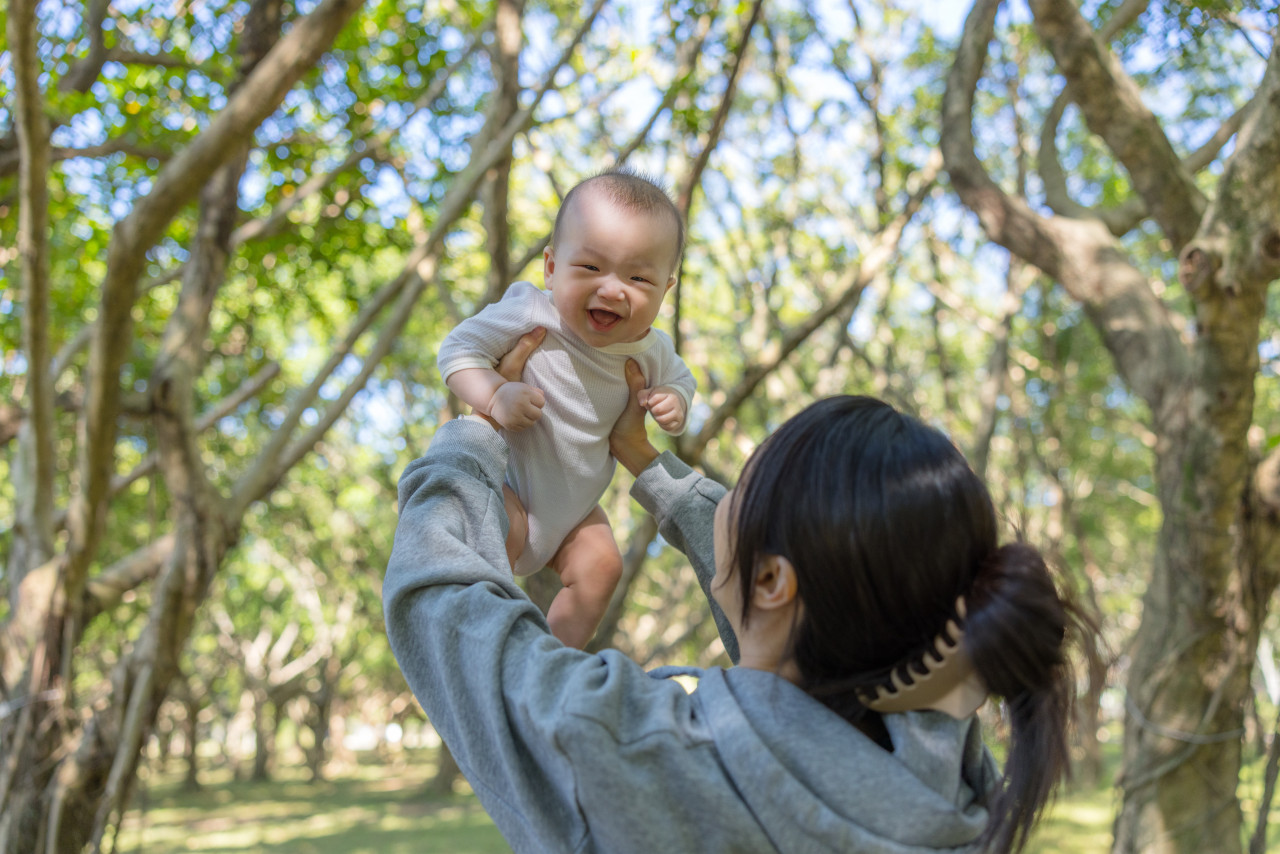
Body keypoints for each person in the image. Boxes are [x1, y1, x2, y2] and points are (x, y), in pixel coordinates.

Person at [385, 331, 1077, 854]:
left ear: (774, 579)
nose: (726, 497)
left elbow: (442, 608)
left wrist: (473, 439)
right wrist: (646, 461)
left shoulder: (636, 751)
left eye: (742, 488)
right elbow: (785, 635)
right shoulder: (941, 748)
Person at [437, 168, 695, 648]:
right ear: (551, 267)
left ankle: (551, 661)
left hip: (574, 509)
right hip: (509, 483)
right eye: (591, 268)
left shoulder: (650, 349)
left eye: (639, 277)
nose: (614, 289)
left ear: (666, 289)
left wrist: (674, 400)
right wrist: (494, 394)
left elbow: (682, 379)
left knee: (602, 567)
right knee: (496, 541)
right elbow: (456, 351)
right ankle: (485, 649)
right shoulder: (532, 311)